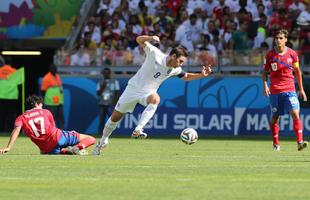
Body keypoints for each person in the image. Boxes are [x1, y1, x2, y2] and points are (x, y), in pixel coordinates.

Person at [93, 35, 212, 155]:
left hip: (148, 93)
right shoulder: (155, 54)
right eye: (180, 61)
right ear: (173, 56)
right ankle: (103, 141)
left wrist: (201, 75)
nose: (180, 65)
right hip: (133, 89)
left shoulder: (174, 69)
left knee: (155, 98)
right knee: (115, 118)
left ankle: (138, 129)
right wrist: (150, 37)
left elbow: (186, 77)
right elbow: (139, 40)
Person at [0, 95, 96, 155]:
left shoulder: (21, 118)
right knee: (91, 139)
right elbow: (53, 128)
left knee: (59, 151)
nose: (42, 106)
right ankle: (76, 148)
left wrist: (8, 147)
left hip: (47, 149)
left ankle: (68, 150)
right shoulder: (46, 111)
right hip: (59, 137)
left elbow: (16, 131)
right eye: (41, 104)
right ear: (37, 104)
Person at [262, 29, 308, 151]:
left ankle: (299, 142)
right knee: (274, 118)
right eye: (276, 38)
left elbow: (297, 72)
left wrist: (301, 89)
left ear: (286, 40)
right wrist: (265, 85)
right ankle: (276, 144)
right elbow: (265, 73)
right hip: (275, 91)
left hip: (290, 89)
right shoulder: (270, 55)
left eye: (281, 38)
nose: (278, 40)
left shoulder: (292, 54)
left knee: (295, 113)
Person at [41, 64, 65, 129]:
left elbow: (60, 87)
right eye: (52, 69)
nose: (54, 70)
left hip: (59, 101)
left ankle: (61, 133)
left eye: (55, 68)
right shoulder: (46, 77)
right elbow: (43, 90)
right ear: (50, 70)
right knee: (51, 118)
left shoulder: (57, 76)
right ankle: (51, 133)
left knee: (61, 119)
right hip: (50, 102)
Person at [97, 67, 120, 133]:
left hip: (111, 104)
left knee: (112, 120)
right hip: (102, 104)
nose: (106, 74)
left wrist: (114, 103)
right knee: (101, 120)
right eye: (104, 73)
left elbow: (117, 93)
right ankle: (100, 133)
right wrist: (102, 87)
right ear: (103, 74)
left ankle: (113, 133)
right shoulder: (100, 82)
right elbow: (98, 93)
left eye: (107, 73)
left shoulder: (115, 82)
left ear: (110, 73)